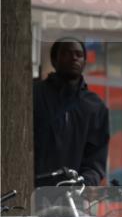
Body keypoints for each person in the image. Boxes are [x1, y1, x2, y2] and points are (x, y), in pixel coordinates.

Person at [33, 37, 109, 186]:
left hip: (73, 195)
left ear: (84, 63)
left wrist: (86, 182)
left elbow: (96, 158)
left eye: (79, 54)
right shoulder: (35, 94)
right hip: (33, 190)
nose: (74, 58)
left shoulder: (95, 106)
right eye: (67, 53)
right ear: (54, 60)